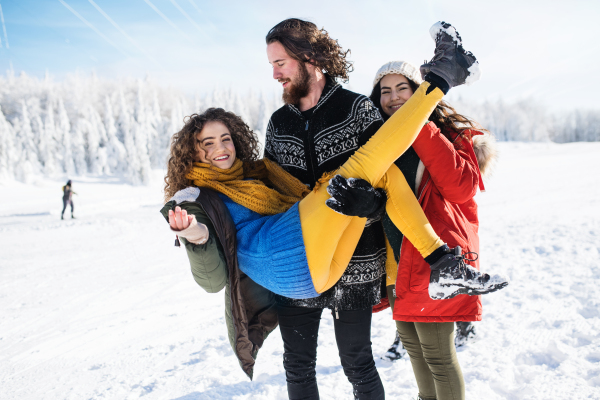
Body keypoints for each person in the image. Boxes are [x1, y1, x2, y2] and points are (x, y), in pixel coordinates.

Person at [328, 42, 499, 398]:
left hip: (433, 259)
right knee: (417, 351)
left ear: (420, 90)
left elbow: (459, 189)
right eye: (385, 91)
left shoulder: (446, 134)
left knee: (438, 354)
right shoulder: (377, 144)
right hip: (393, 261)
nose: (393, 98)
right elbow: (384, 201)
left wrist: (416, 120)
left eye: (402, 88)